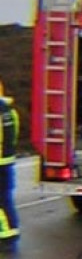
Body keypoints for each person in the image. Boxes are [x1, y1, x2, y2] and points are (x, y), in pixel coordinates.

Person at [0, 79, 19, 253]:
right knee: (5, 199)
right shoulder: (9, 110)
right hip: (7, 161)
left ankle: (7, 236)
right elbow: (13, 136)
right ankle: (10, 232)